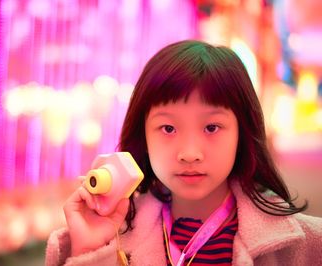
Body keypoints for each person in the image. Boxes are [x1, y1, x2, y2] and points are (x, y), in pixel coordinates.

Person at [45, 40, 322, 266]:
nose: (190, 154)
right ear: (144, 135)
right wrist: (89, 252)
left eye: (212, 127)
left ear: (242, 133)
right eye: (168, 128)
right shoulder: (114, 238)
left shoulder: (306, 246)